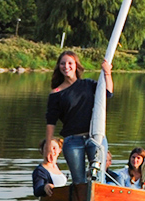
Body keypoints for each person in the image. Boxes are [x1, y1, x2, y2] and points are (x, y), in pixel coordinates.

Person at [44, 51, 112, 184]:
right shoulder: (56, 93)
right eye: (63, 63)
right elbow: (51, 122)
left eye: (70, 63)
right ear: (59, 66)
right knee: (79, 181)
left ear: (76, 66)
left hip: (95, 137)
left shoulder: (87, 84)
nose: (66, 66)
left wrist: (107, 72)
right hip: (72, 141)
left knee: (99, 178)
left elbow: (108, 93)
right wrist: (48, 146)